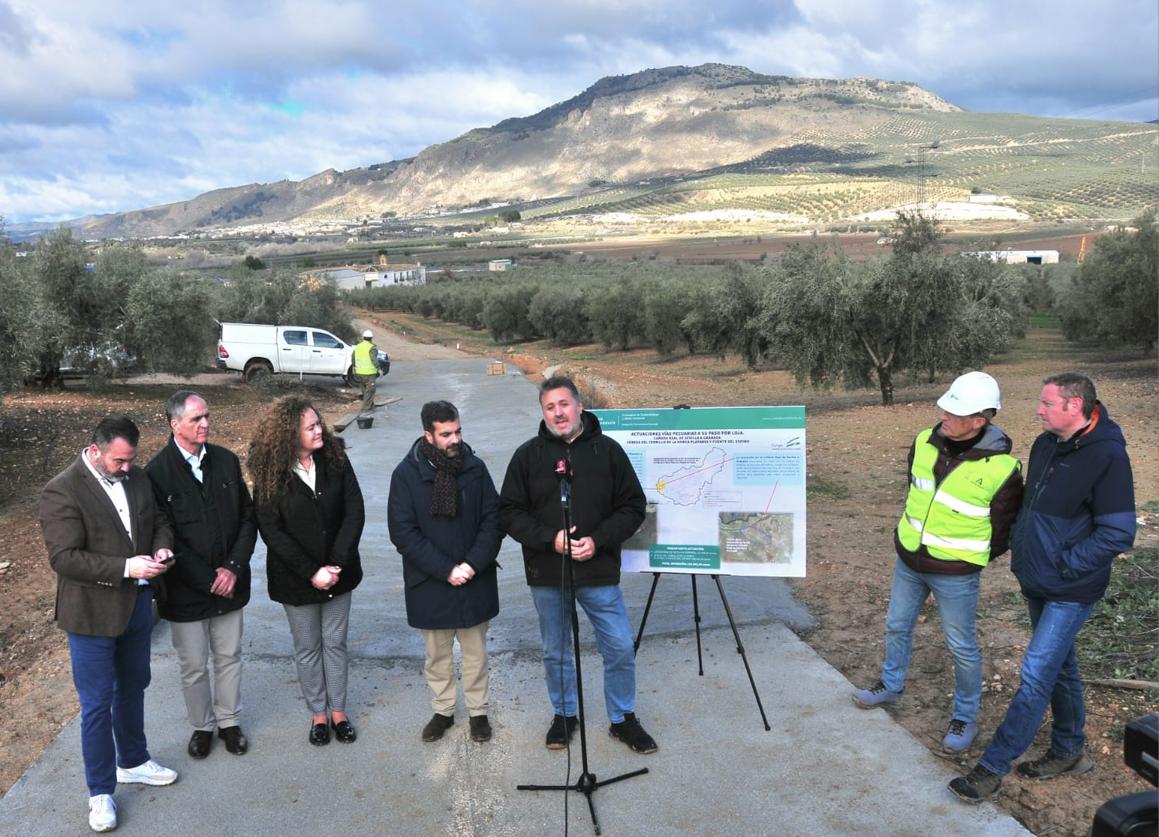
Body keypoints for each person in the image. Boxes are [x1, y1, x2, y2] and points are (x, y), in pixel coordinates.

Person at [950, 373, 1136, 803]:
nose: (1038, 410)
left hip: (1071, 587)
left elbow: (1117, 533)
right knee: (1060, 668)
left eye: (1047, 403)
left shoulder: (1107, 455)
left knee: (1035, 673)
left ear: (1074, 407)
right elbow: (1031, 507)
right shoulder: (1045, 445)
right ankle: (1070, 749)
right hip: (1037, 578)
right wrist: (1019, 547)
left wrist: (1066, 564)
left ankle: (991, 768)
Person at [852, 371, 1023, 754]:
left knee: (961, 646)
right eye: (945, 405)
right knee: (897, 625)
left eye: (954, 410)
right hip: (909, 560)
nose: (942, 413)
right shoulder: (923, 442)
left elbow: (1002, 530)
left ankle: (965, 717)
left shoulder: (1003, 469)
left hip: (955, 574)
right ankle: (890, 685)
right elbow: (914, 492)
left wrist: (965, 559)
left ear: (979, 420)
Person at [499, 375, 657, 754]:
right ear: (543, 412)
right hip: (548, 572)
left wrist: (598, 540)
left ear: (580, 406)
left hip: (597, 569)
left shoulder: (609, 452)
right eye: (550, 407)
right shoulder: (528, 456)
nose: (558, 413)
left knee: (618, 645)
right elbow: (509, 512)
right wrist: (549, 539)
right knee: (556, 650)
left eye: (564, 404)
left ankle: (623, 718)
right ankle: (565, 715)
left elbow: (633, 507)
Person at [39, 416, 178, 833]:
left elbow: (158, 519)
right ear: (95, 450)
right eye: (118, 460)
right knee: (97, 704)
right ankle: (100, 792)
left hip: (136, 607)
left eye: (130, 460)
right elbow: (64, 558)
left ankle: (133, 761)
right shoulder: (62, 489)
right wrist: (125, 567)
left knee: (133, 686)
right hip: (90, 616)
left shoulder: (136, 477)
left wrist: (162, 546)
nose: (126, 468)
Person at [248, 396, 366, 746]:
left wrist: (337, 564)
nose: (319, 430)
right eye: (310, 427)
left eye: (319, 423)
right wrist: (312, 571)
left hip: (339, 573)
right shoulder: (270, 474)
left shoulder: (336, 459)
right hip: (296, 580)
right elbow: (272, 530)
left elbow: (354, 510)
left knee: (335, 643)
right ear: (288, 434)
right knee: (307, 647)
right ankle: (318, 715)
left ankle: (340, 713)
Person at [145, 391, 257, 760]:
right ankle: (202, 726)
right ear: (174, 424)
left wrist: (233, 568)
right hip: (185, 591)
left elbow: (247, 518)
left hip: (229, 585)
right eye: (196, 419)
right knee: (193, 665)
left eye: (207, 416)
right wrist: (207, 577)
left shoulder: (225, 461)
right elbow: (164, 534)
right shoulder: (156, 474)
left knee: (229, 656)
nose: (205, 423)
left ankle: (229, 722)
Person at [388, 401, 503, 744]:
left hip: (473, 577)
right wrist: (445, 569)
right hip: (431, 582)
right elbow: (403, 531)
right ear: (428, 435)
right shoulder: (406, 474)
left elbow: (493, 520)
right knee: (437, 656)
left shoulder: (475, 469)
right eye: (446, 434)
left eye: (458, 431)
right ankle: (443, 711)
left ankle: (478, 712)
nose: (455, 440)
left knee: (475, 655)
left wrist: (470, 564)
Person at [352, 329, 379, 415]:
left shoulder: (358, 346)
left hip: (359, 373)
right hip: (369, 373)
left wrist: (354, 367)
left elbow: (353, 358)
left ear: (363, 338)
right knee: (370, 391)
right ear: (371, 338)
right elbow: (374, 360)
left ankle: (370, 405)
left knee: (365, 391)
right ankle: (366, 409)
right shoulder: (371, 347)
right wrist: (378, 368)